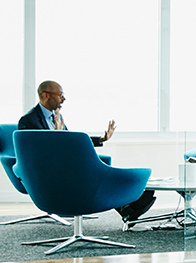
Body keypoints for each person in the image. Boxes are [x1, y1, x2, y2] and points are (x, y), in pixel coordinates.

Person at [17, 80, 155, 222]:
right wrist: (57, 136)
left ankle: (125, 204)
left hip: (64, 164)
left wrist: (100, 139)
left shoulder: (56, 117)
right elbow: (33, 153)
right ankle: (127, 204)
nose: (64, 99)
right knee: (89, 168)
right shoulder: (28, 121)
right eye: (60, 95)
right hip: (50, 170)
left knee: (93, 165)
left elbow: (70, 141)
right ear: (46, 95)